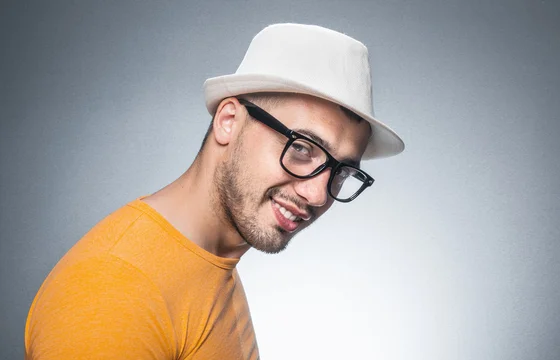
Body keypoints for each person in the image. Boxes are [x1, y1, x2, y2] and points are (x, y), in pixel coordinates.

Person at [24, 23, 404, 359]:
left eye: (342, 172)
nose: (319, 195)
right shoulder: (114, 289)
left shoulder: (209, 262)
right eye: (302, 148)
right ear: (228, 122)